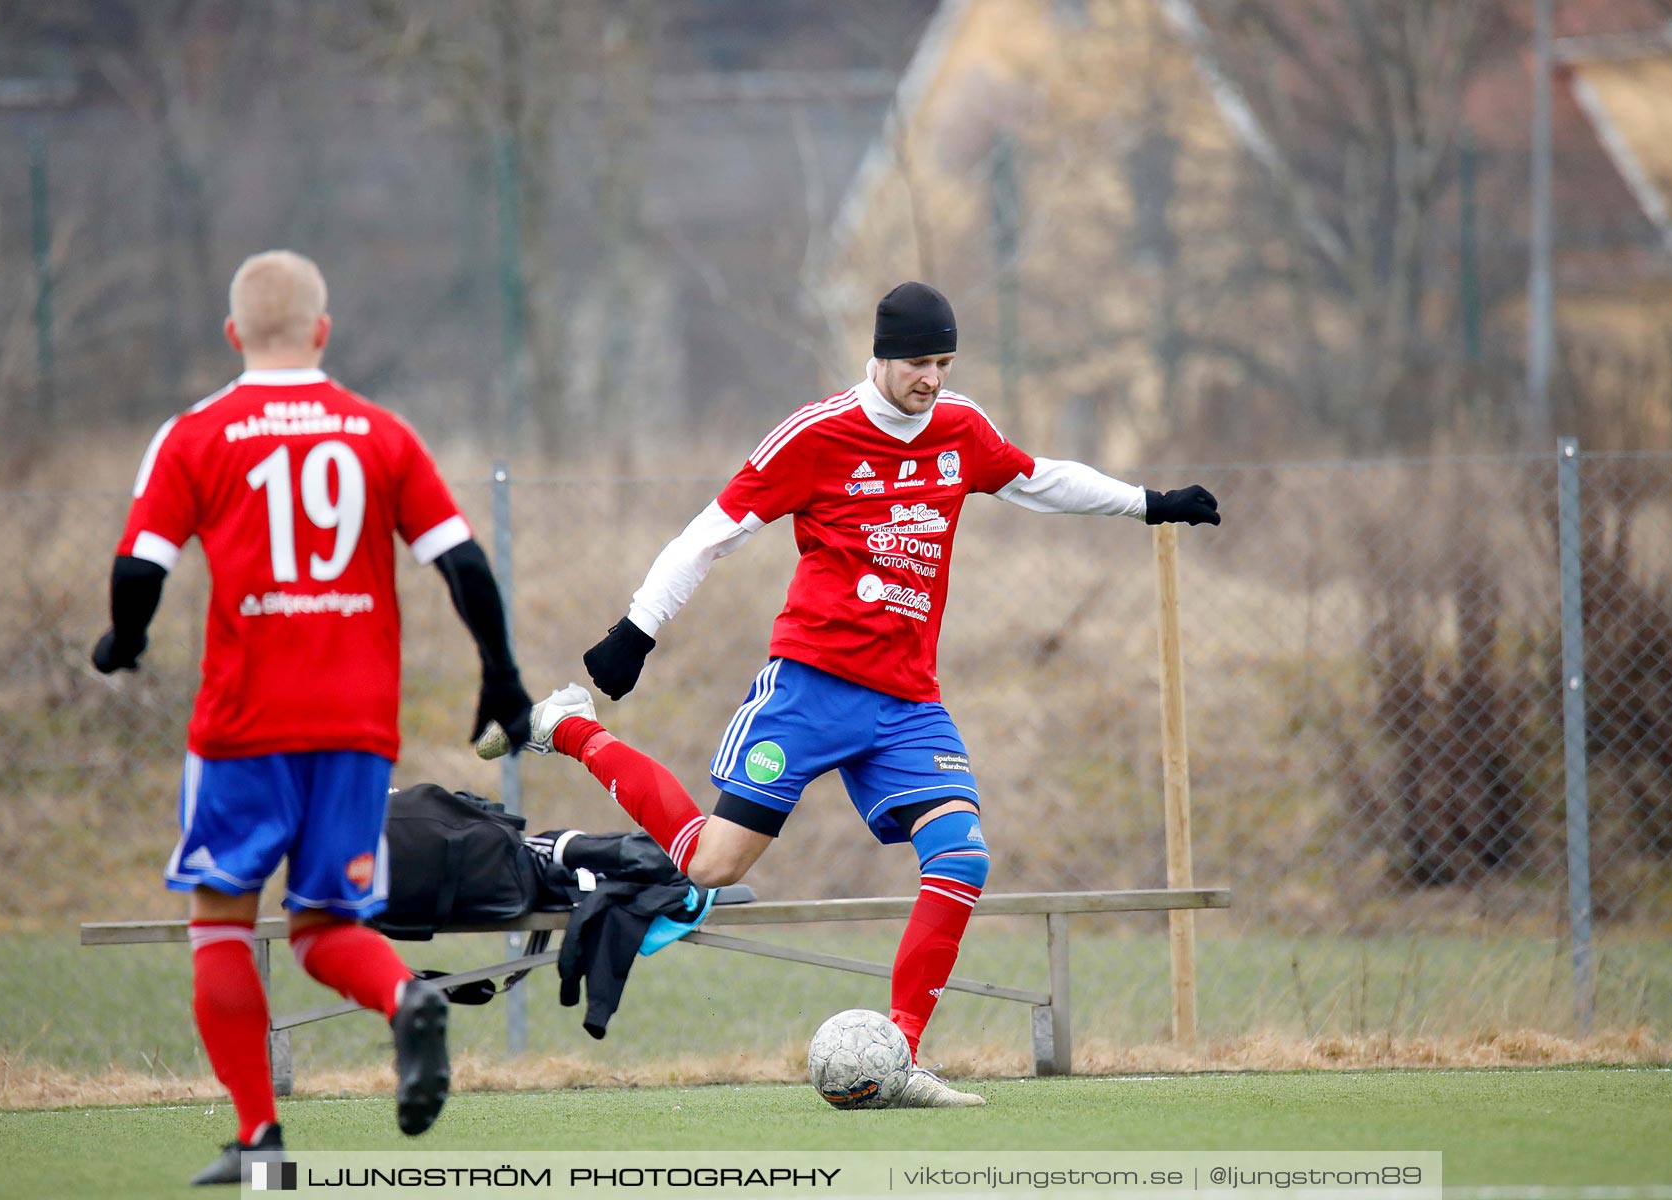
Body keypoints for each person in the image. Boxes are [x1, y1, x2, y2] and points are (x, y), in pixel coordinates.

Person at [497, 282, 1218, 1106]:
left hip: (907, 703)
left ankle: (898, 1056)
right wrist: (637, 630)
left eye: (944, 361)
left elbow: (1037, 478)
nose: (933, 378)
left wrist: (1148, 504)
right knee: (711, 865)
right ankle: (572, 726)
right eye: (919, 361)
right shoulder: (818, 434)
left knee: (962, 857)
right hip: (811, 687)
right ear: (879, 354)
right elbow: (712, 532)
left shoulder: (959, 429)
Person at [92, 250, 536, 1184]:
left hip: (244, 727)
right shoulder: (379, 433)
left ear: (233, 335)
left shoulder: (196, 434)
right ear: (323, 333)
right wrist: (500, 678)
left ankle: (262, 1145)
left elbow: (140, 570)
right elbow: (463, 565)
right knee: (325, 924)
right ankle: (404, 997)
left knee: (220, 925)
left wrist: (123, 641)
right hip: (353, 726)